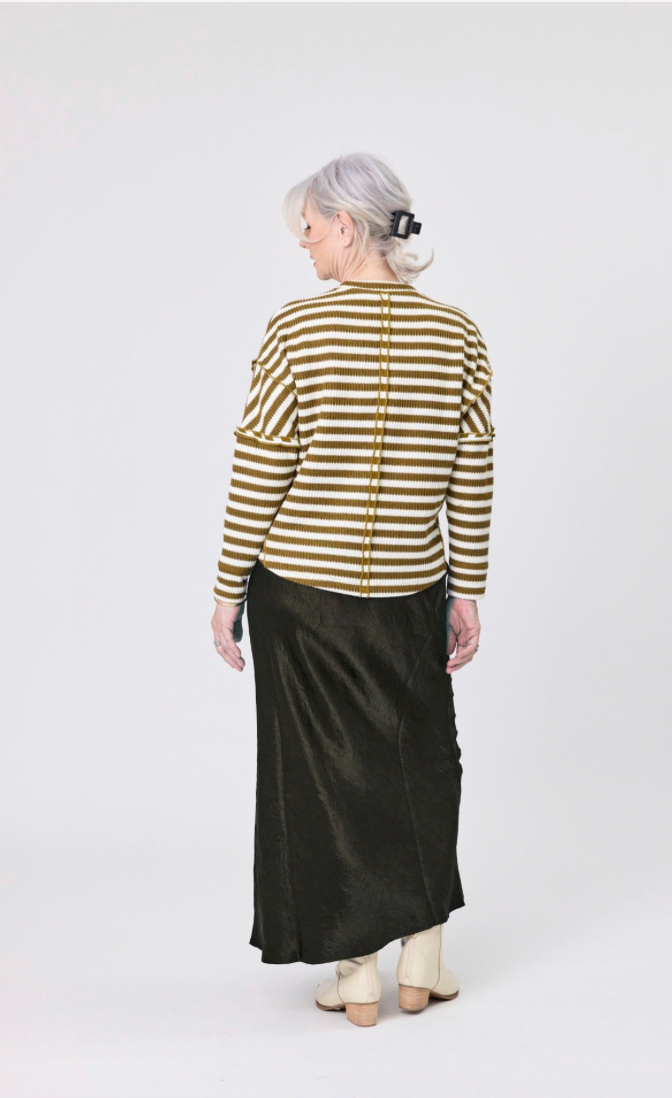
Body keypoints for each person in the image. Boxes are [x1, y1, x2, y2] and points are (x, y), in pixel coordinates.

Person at [210, 152, 495, 1027]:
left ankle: (357, 973)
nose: (302, 244)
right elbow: (472, 472)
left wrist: (227, 588)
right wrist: (466, 589)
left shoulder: (297, 331)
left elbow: (261, 464)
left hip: (302, 597)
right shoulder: (457, 335)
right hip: (411, 591)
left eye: (308, 228)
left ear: (345, 225)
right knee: (422, 763)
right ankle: (424, 957)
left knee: (322, 775)